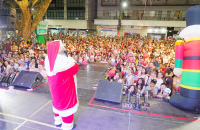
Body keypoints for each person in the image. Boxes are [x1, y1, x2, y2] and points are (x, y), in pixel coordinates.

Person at [45, 40, 79, 130]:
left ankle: (58, 121)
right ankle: (67, 126)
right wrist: (70, 59)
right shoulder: (62, 59)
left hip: (54, 87)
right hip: (64, 87)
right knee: (66, 105)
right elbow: (75, 69)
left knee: (57, 103)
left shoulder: (48, 58)